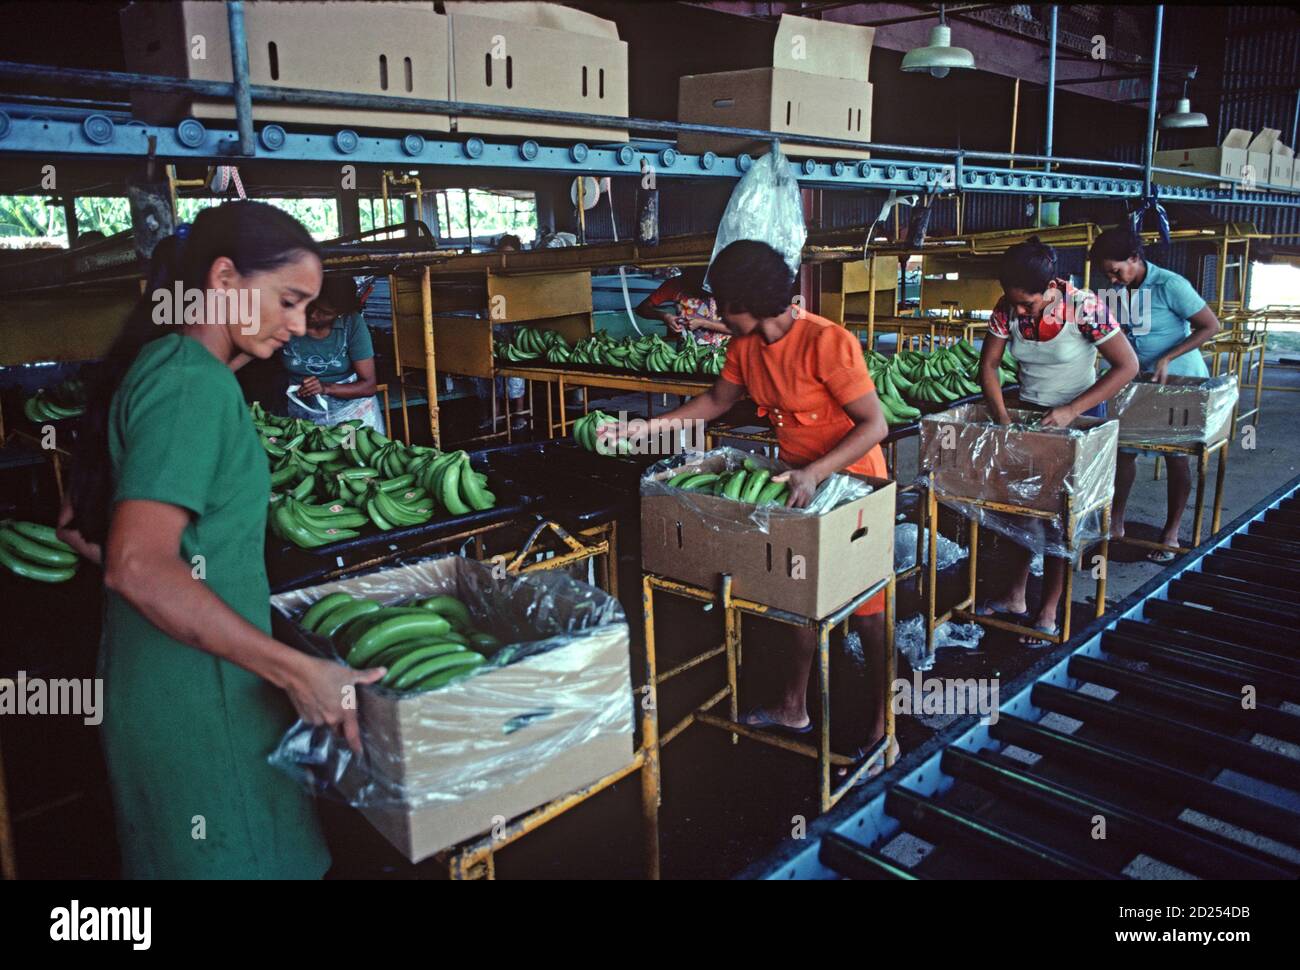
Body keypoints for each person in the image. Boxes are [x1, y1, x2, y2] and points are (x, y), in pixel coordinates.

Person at [57, 202, 386, 878]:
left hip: (165, 686)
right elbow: (136, 566)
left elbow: (81, 531)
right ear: (227, 278)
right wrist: (299, 672)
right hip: (206, 705)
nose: (298, 327)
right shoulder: (190, 385)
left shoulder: (162, 367)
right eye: (289, 301)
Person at [606, 240, 895, 768]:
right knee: (797, 593)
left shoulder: (827, 343)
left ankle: (883, 724)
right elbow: (715, 403)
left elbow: (875, 424)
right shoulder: (744, 348)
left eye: (723, 303)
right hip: (794, 486)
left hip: (850, 485)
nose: (716, 313)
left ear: (752, 301)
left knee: (869, 612)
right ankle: (792, 706)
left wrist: (815, 472)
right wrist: (644, 429)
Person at [976, 236, 1139, 645]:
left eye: (1026, 304)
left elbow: (1127, 366)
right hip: (1029, 416)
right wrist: (1004, 420)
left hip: (1078, 421)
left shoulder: (1084, 308)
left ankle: (1049, 607)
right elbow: (989, 368)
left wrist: (1071, 411)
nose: (1017, 311)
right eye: (1012, 302)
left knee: (1060, 519)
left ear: (1050, 289)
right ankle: (1015, 596)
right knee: (1019, 509)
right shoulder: (1005, 310)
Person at [1090, 227, 1221, 561]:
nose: (1112, 278)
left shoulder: (1169, 285)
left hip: (1176, 379)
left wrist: (1168, 356)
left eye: (1116, 270)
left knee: (1175, 455)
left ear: (1135, 258)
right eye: (1107, 274)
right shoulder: (1118, 289)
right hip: (1137, 381)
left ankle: (1172, 533)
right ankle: (1115, 523)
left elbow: (1211, 325)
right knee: (1124, 452)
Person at [281, 274, 384, 432]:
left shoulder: (352, 324)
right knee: (308, 454)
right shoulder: (287, 321)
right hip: (302, 414)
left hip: (350, 417)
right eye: (312, 305)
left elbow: (369, 386)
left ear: (339, 313)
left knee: (351, 452)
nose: (313, 315)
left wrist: (325, 388)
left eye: (323, 312)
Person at [476, 234, 528, 431]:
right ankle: (493, 416)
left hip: (513, 331)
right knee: (487, 376)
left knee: (515, 378)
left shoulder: (520, 279)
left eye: (510, 255)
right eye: (502, 254)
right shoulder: (489, 276)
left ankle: (519, 415)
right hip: (492, 329)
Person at [635, 266, 731, 348]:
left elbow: (739, 328)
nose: (699, 293)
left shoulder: (728, 287)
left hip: (723, 353)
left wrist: (704, 323)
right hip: (686, 355)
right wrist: (664, 316)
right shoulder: (674, 285)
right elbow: (642, 308)